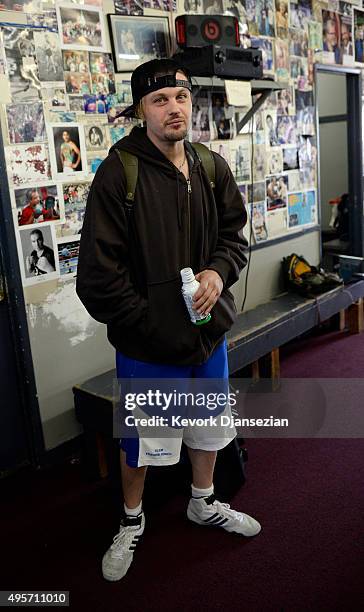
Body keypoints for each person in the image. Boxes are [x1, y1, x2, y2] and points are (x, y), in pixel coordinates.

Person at [76, 58, 261, 583]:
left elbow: (234, 237)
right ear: (142, 110)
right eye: (160, 100)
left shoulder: (208, 164)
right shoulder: (119, 174)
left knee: (207, 430)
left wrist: (218, 273)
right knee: (144, 443)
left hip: (209, 338)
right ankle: (131, 521)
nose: (174, 108)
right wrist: (150, 325)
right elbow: (96, 279)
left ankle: (202, 502)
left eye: (180, 96)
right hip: (148, 346)